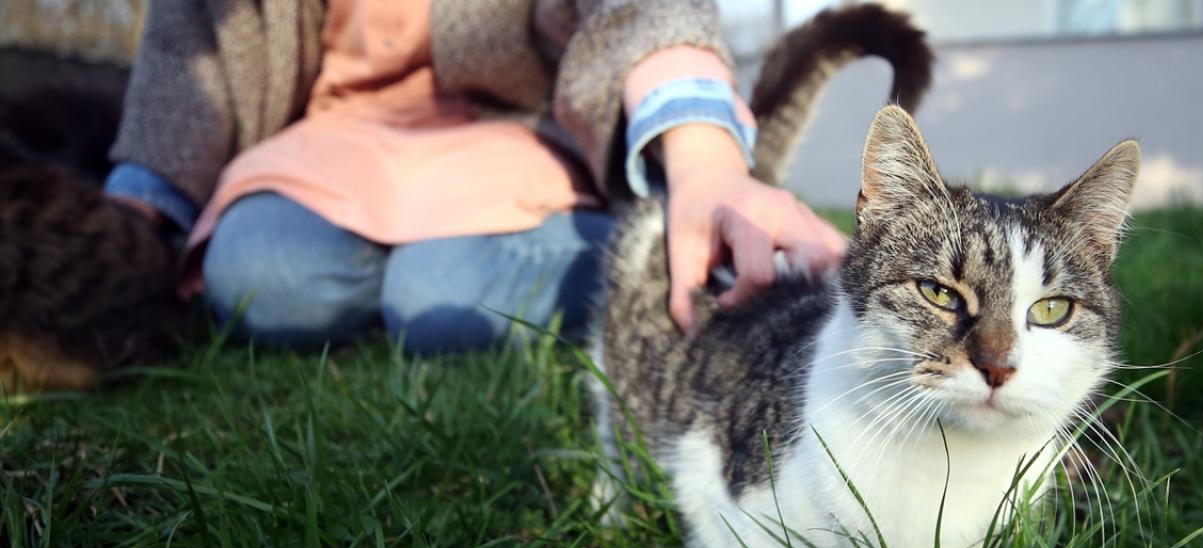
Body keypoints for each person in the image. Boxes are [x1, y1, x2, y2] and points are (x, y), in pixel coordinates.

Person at [105, 0, 846, 354]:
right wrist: (130, 214)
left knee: (438, 298)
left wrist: (707, 165)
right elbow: (185, 44)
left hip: (505, 140)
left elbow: (640, 11)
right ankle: (414, 280)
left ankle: (671, 266)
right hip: (327, 146)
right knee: (261, 276)